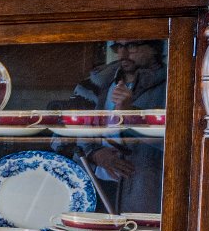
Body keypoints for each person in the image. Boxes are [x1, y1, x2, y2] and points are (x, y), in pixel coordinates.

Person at [69, 39, 165, 213]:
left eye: (131, 46)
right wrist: (94, 154)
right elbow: (66, 134)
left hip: (145, 190)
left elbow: (176, 143)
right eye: (118, 46)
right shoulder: (94, 84)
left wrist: (130, 114)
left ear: (154, 48)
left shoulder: (173, 86)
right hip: (94, 184)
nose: (123, 53)